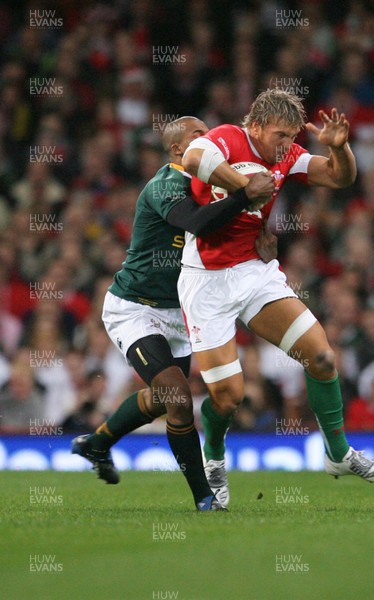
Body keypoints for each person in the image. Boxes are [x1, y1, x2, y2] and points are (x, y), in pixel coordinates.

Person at [180, 89, 374, 505]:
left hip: (255, 272)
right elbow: (192, 158)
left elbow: (339, 177)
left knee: (323, 357)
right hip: (206, 281)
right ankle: (214, 459)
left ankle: (338, 454)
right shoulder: (227, 138)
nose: (284, 145)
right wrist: (246, 186)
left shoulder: (287, 155)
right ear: (255, 126)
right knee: (229, 396)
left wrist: (340, 148)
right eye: (279, 135)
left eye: (290, 137)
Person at [72, 116, 275, 511]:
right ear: (179, 150)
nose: (211, 140)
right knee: (179, 398)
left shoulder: (213, 188)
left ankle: (96, 444)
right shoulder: (167, 184)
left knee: (166, 397)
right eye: (200, 136)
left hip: (180, 312)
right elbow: (196, 222)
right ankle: (205, 498)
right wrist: (244, 195)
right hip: (136, 307)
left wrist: (261, 251)